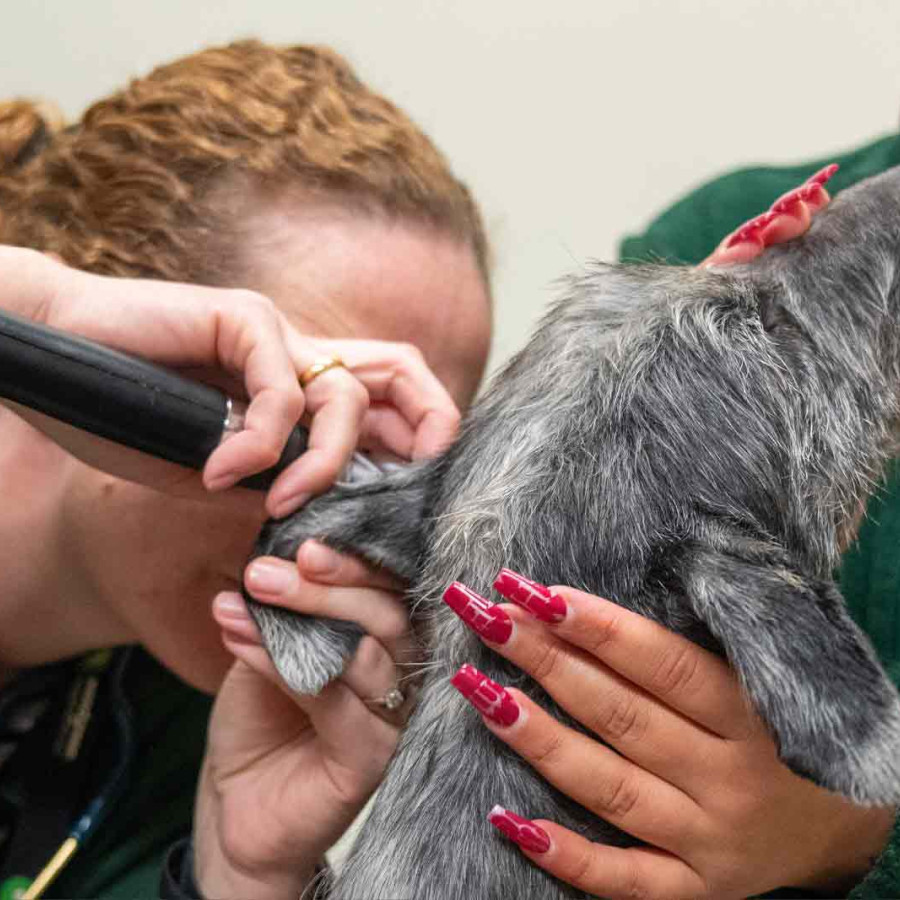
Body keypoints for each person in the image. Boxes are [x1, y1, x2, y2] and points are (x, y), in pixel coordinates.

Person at [0, 41, 492, 897]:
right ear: (132, 333)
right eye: (313, 436)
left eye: (405, 480)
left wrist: (243, 877)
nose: (363, 544)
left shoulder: (222, 714)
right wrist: (37, 314)